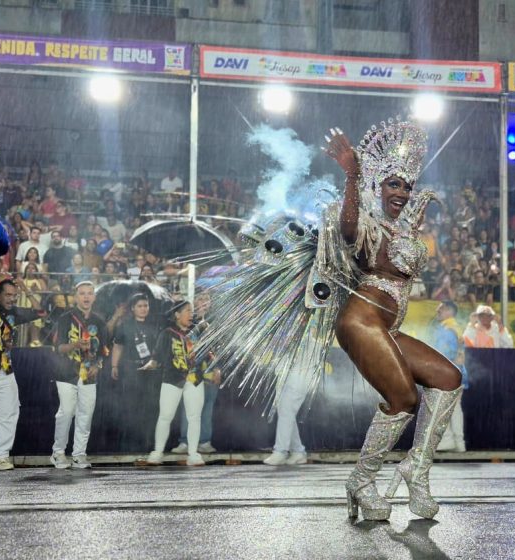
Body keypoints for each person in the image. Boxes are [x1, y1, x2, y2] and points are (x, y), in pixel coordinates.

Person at [199, 120, 463, 522]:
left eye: (407, 187)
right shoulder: (363, 221)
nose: (403, 194)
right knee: (404, 398)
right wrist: (353, 175)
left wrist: (411, 225)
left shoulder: (401, 227)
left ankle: (416, 469)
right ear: (377, 186)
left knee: (448, 377)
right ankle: (362, 479)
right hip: (360, 321)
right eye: (393, 185)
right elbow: (347, 227)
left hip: (387, 327)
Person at [0, 275, 43, 470]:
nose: (11, 299)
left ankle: (0, 456)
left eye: (14, 295)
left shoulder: (15, 312)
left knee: (9, 414)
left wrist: (26, 289)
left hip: (6, 370)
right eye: (8, 295)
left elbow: (40, 312)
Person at [50, 281, 110, 469]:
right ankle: (58, 453)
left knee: (86, 415)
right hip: (66, 372)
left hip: (89, 374)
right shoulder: (65, 318)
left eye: (89, 293)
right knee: (66, 413)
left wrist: (98, 365)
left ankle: (79, 454)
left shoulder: (99, 322)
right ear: (76, 296)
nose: (86, 297)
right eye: (82, 293)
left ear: (94, 297)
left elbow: (103, 350)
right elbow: (58, 347)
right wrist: (75, 345)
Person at [142, 301, 206, 467]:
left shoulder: (199, 332)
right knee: (165, 416)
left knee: (194, 417)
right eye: (187, 311)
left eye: (192, 311)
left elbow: (209, 354)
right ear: (177, 314)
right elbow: (156, 358)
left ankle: (193, 454)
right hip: (172, 378)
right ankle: (157, 452)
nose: (191, 314)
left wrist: (216, 370)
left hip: (194, 378)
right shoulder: (167, 333)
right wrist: (147, 366)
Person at [110, 293, 162, 452]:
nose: (143, 309)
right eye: (139, 306)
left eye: (145, 305)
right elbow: (118, 346)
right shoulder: (125, 325)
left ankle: (148, 442)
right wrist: (114, 366)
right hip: (131, 370)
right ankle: (130, 443)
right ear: (132, 308)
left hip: (151, 371)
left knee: (150, 407)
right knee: (131, 406)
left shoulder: (155, 324)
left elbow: (160, 348)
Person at [172, 293, 221, 456]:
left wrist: (218, 368)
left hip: (209, 373)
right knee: (188, 408)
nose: (203, 303)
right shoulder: (187, 323)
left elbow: (221, 348)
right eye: (199, 299)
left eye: (206, 299)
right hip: (191, 374)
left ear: (211, 303)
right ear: (193, 302)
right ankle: (185, 441)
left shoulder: (217, 323)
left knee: (207, 408)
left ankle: (204, 441)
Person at [431, 301, 467, 453]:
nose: (437, 311)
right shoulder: (455, 327)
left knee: (442, 407)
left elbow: (444, 353)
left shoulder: (447, 330)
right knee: (455, 408)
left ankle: (447, 441)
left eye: (441, 309)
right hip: (457, 373)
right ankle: (459, 442)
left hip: (447, 373)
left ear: (449, 311)